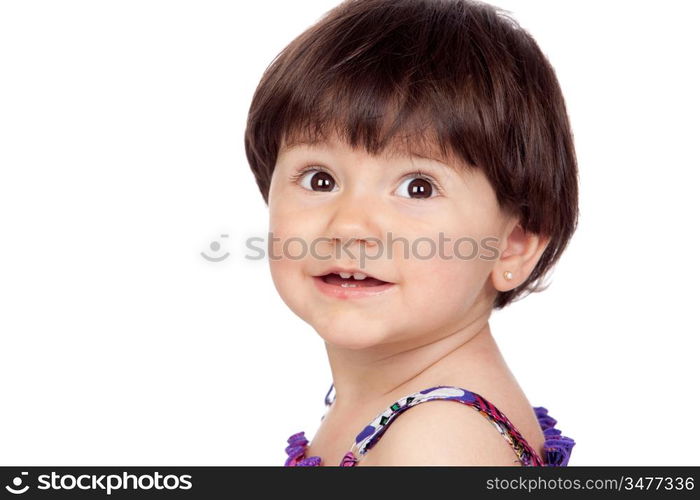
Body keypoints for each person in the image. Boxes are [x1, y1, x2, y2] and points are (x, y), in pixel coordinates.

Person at [244, 0, 578, 466]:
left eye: (417, 187)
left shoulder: (438, 442)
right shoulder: (392, 404)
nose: (349, 225)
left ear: (513, 246)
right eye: (320, 179)